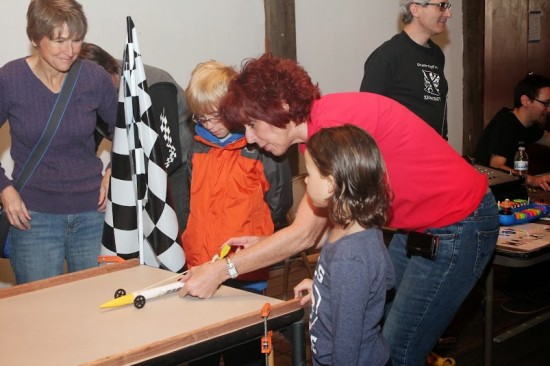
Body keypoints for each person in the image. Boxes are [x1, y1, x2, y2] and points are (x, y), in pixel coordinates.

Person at [178, 53, 500, 366]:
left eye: (252, 124)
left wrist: (221, 270)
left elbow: (303, 235)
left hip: (460, 222)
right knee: (376, 332)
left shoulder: (331, 131)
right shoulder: (316, 137)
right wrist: (268, 250)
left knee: (399, 349)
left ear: (281, 107)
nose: (248, 138)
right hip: (418, 226)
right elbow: (326, 231)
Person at [182, 60, 292, 366]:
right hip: (201, 266)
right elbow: (188, 201)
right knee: (200, 352)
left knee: (245, 355)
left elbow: (279, 203)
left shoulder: (261, 149)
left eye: (216, 116)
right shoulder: (196, 148)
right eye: (201, 118)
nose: (210, 125)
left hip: (247, 272)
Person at [0, 0, 117, 284]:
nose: (70, 51)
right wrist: (4, 189)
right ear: (34, 38)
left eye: (76, 40)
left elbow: (128, 132)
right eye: (59, 41)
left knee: (96, 306)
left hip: (93, 213)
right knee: (40, 313)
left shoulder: (94, 77)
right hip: (33, 217)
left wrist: (114, 171)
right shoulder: (10, 79)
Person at [293, 125, 394, 366]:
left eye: (309, 173)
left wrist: (342, 285)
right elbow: (386, 279)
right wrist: (326, 287)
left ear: (330, 184)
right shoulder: (361, 227)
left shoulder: (348, 258)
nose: (306, 180)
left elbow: (346, 348)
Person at [78, 42, 194, 231]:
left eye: (101, 85)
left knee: (174, 232)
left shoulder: (155, 84)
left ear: (111, 69)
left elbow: (169, 155)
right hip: (138, 166)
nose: (97, 95)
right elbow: (86, 147)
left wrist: (118, 176)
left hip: (175, 168)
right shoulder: (89, 95)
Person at [360, 0, 452, 139]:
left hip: (434, 151)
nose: (448, 14)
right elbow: (367, 116)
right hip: (399, 155)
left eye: (448, 6)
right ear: (415, 9)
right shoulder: (387, 55)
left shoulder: (437, 54)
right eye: (441, 6)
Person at [474, 73, 550, 191]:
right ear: (525, 101)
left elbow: (547, 138)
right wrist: (532, 180)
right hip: (487, 193)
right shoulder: (505, 123)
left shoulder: (530, 125)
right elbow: (496, 165)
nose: (549, 109)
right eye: (546, 103)